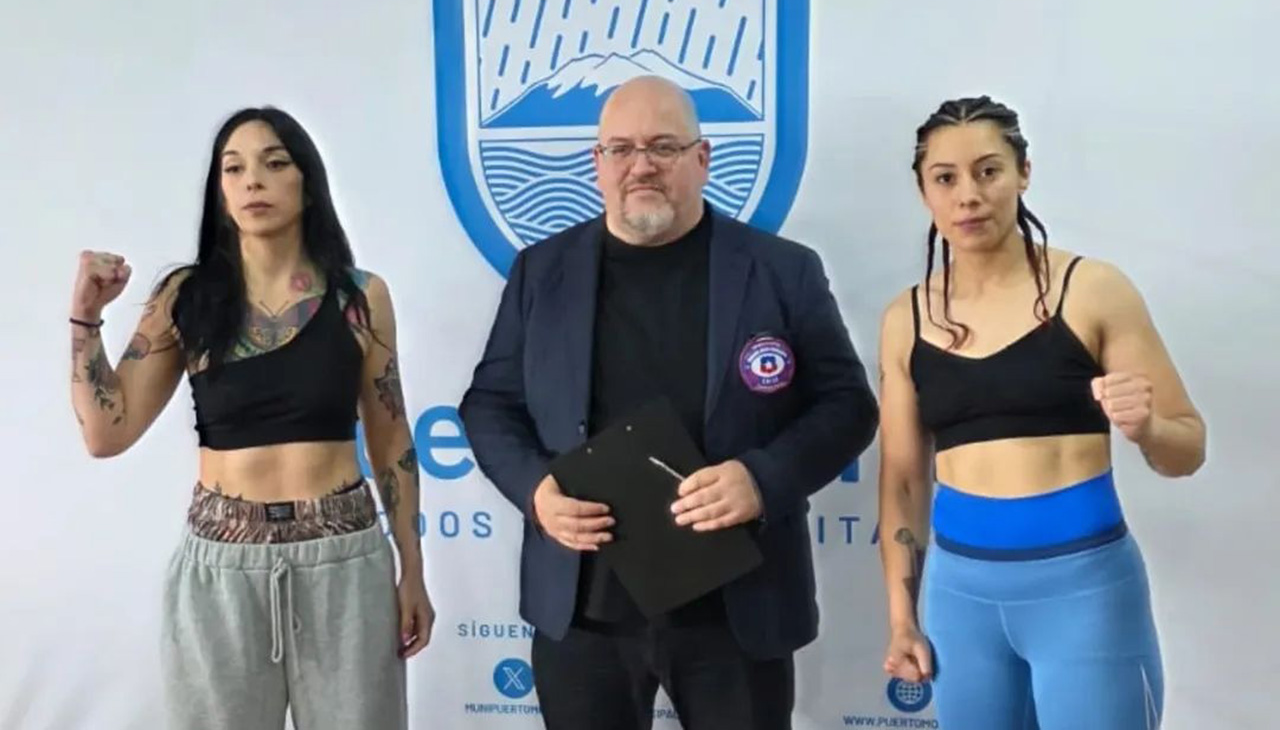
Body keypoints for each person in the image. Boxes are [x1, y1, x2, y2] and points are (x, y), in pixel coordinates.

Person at [459, 75, 879, 730]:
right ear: (597, 163)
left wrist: (762, 479)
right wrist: (536, 491)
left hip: (736, 609)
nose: (642, 166)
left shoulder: (782, 269)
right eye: (621, 149)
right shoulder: (542, 271)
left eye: (663, 147)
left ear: (702, 158)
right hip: (584, 609)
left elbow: (848, 405)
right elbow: (489, 404)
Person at [68, 106, 434, 730]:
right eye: (233, 169)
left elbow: (391, 436)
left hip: (343, 558)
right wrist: (85, 319)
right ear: (220, 191)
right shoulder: (185, 297)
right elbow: (107, 432)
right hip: (222, 565)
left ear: (307, 183)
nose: (253, 181)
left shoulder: (359, 296)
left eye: (274, 163)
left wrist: (413, 571)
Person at [876, 95, 1206, 729]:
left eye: (988, 171)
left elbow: (1188, 448)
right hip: (960, 603)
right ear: (924, 192)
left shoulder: (1092, 290)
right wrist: (900, 619)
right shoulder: (905, 320)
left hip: (1084, 593)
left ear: (1023, 173)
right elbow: (904, 482)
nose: (969, 195)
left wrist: (1146, 428)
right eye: (945, 178)